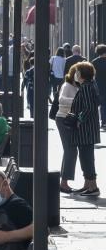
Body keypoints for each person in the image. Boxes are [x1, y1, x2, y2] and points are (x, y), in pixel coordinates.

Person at [69, 62, 100, 197]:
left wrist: (80, 120)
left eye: (77, 72)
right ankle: (87, 184)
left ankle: (92, 187)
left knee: (86, 157)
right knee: (85, 156)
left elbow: (89, 107)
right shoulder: (89, 85)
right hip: (87, 129)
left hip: (85, 130)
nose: (75, 74)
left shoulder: (87, 87)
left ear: (81, 74)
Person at [56, 65, 80, 193]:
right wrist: (76, 100)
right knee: (70, 149)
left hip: (69, 119)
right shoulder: (67, 85)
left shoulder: (77, 86)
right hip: (63, 118)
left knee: (70, 150)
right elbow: (61, 99)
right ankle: (64, 182)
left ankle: (64, 181)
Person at [90, 44, 106, 128]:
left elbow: (92, 75)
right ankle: (104, 121)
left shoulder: (94, 62)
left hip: (99, 86)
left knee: (100, 105)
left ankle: (101, 122)